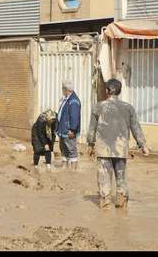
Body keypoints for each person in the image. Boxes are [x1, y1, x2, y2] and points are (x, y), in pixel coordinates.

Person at [87, 79, 149, 209]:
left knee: (104, 179)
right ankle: (121, 202)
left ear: (107, 91)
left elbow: (92, 128)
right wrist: (143, 145)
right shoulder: (128, 107)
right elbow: (135, 127)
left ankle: (105, 205)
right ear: (119, 91)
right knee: (121, 178)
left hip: (103, 149)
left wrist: (90, 144)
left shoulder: (99, 106)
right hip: (121, 149)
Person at [56, 81, 81, 170]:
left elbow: (74, 116)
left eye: (63, 89)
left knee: (71, 149)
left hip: (69, 130)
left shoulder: (73, 101)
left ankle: (73, 170)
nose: (62, 90)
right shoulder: (66, 99)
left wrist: (72, 129)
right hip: (63, 129)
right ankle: (64, 167)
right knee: (63, 148)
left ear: (66, 89)